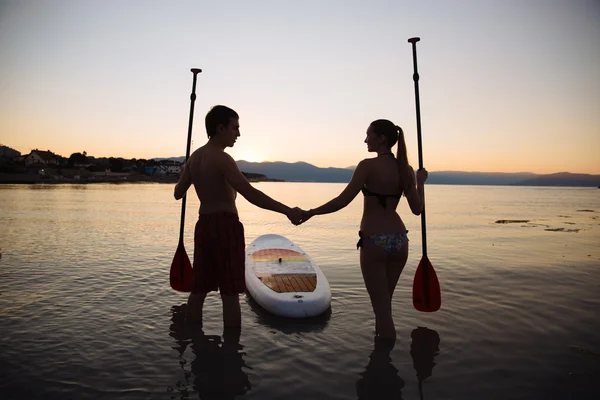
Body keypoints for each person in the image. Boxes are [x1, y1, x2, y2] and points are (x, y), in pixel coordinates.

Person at [174, 105, 302, 329]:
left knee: (199, 289)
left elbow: (177, 193)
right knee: (230, 293)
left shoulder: (194, 158)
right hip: (225, 226)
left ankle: (194, 344)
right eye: (235, 128)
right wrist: (287, 210)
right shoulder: (223, 159)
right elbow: (251, 194)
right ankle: (232, 354)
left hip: (203, 227)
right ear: (220, 128)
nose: (238, 134)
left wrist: (188, 172)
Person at [299, 119, 428, 340]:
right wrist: (420, 182)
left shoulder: (367, 166)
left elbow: (342, 201)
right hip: (399, 240)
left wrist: (312, 212)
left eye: (368, 135)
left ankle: (384, 363)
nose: (365, 139)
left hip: (375, 241)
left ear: (382, 139)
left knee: (382, 311)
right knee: (384, 305)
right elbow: (418, 209)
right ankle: (381, 355)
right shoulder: (404, 168)